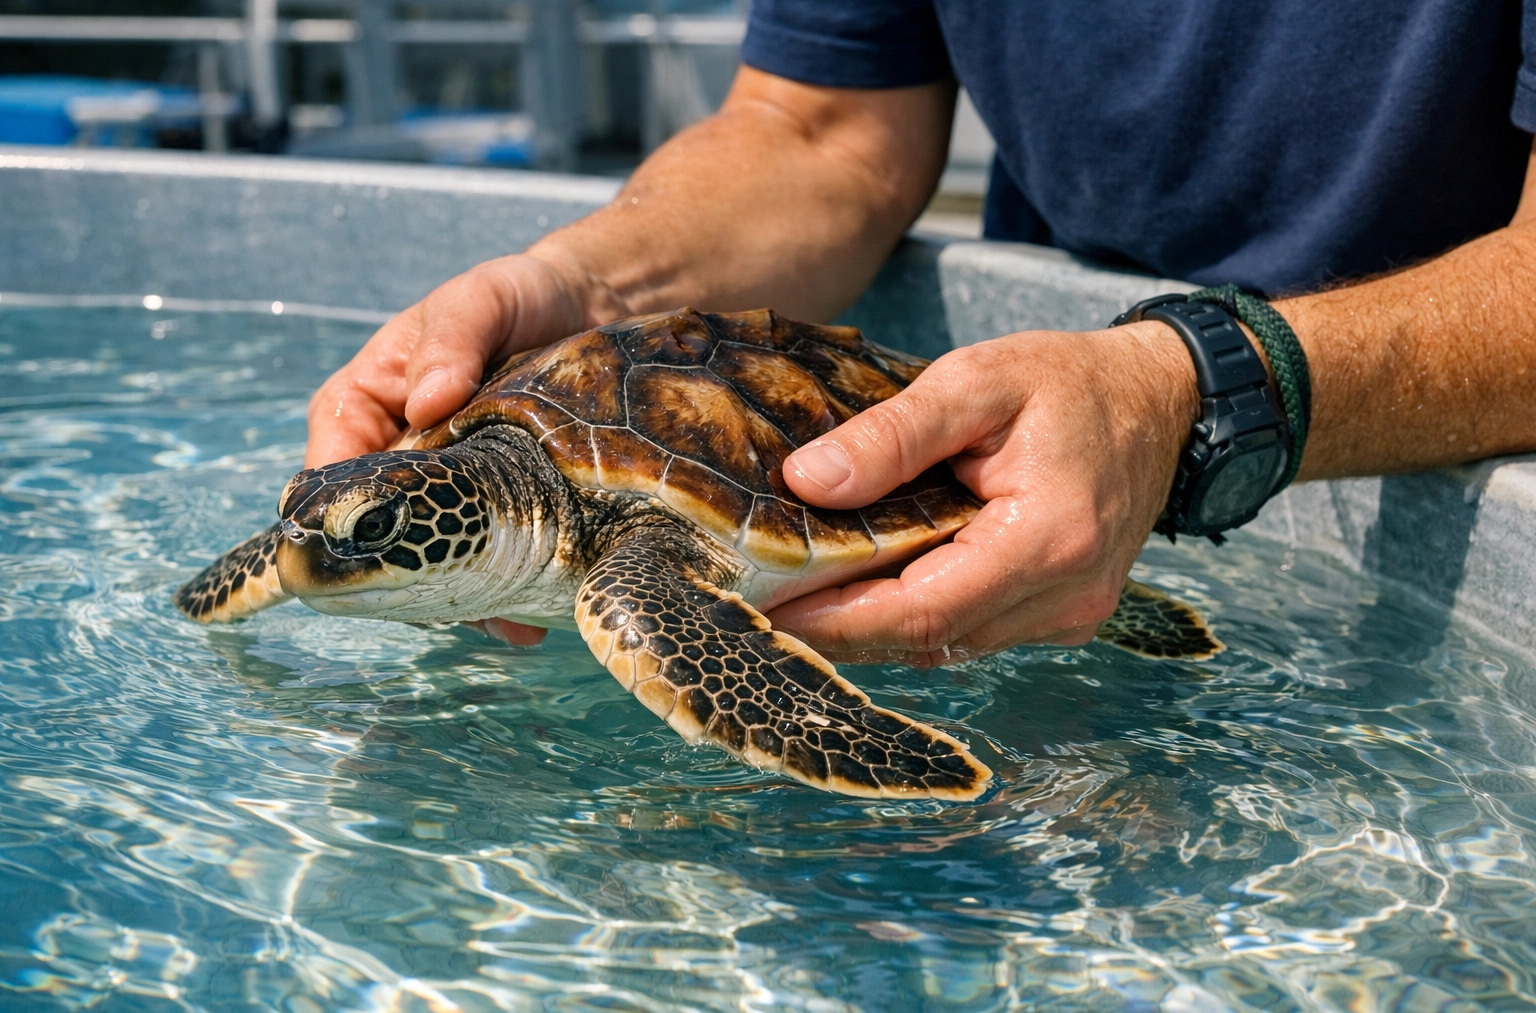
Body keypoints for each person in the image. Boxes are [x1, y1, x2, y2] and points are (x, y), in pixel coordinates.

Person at [303, 1, 1536, 665]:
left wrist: (1191, 392)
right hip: (1030, 447)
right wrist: (577, 280)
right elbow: (819, 128)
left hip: (1450, 477)